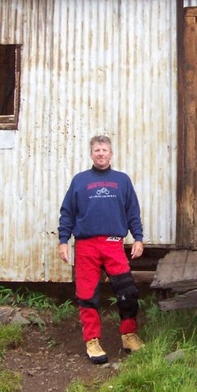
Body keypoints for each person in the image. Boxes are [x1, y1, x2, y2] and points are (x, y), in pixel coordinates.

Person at [58, 135, 145, 364]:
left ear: (111, 154)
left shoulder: (122, 181)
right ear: (91, 154)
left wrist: (138, 238)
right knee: (87, 295)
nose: (101, 153)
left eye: (104, 150)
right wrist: (63, 240)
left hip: (113, 243)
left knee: (128, 292)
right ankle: (92, 341)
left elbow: (132, 212)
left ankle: (129, 335)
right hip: (86, 245)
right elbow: (67, 212)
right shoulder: (80, 181)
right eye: (97, 150)